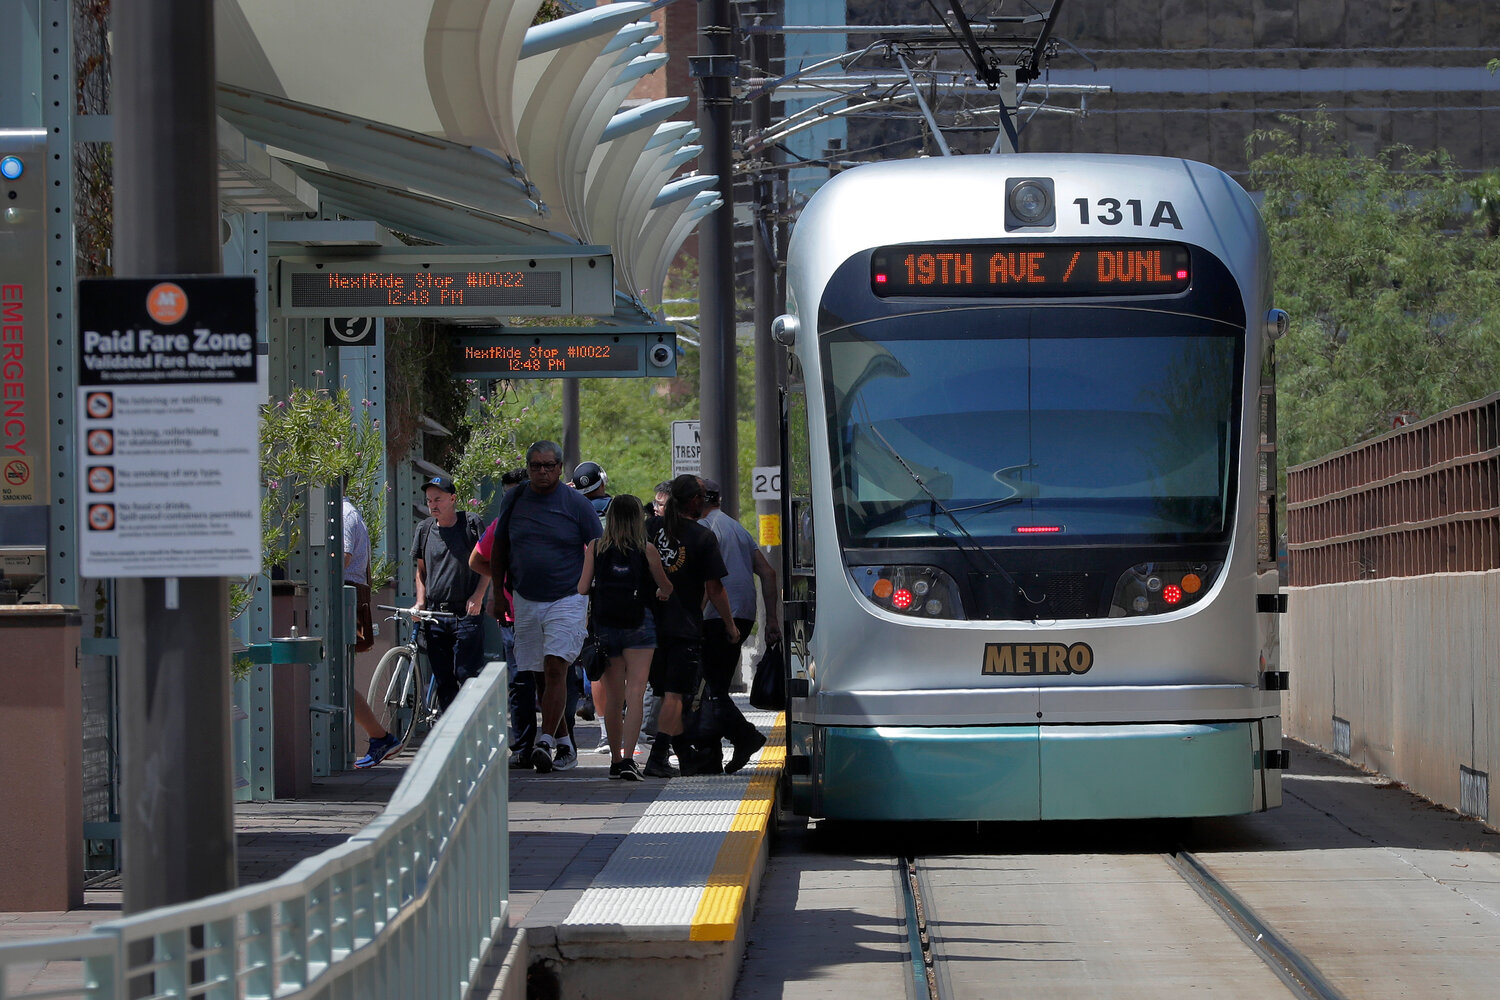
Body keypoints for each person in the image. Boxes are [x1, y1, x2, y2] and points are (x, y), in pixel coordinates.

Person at [470, 440, 600, 774]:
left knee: (556, 667)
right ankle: (565, 744)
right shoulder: (514, 499)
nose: (542, 471)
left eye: (549, 465)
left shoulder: (576, 504)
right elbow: (497, 551)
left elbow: (596, 548)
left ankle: (544, 740)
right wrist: (498, 595)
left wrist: (588, 595)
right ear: (528, 468)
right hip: (525, 599)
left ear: (560, 467)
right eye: (535, 466)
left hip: (567, 598)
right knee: (539, 674)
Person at [641, 474, 739, 778]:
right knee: (675, 694)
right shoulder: (701, 537)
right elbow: (715, 590)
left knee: (659, 692)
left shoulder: (648, 529)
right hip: (681, 627)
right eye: (701, 495)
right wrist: (730, 626)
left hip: (646, 623)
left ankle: (682, 756)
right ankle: (658, 756)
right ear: (694, 501)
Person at [578, 494, 673, 780]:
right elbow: (666, 587)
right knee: (635, 694)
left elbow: (582, 588)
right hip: (639, 625)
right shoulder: (647, 549)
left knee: (614, 699)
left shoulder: (595, 547)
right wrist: (660, 593)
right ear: (636, 520)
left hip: (606, 627)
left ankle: (615, 760)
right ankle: (630, 759)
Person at [696, 479, 778, 773]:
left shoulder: (704, 529)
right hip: (743, 614)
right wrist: (771, 620)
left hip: (715, 614)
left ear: (697, 500)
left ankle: (744, 736)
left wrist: (694, 614)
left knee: (708, 687)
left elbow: (709, 580)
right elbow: (768, 573)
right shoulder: (737, 529)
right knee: (714, 685)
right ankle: (713, 755)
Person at [412, 475, 487, 710]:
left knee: (466, 674)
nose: (433, 505)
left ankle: (470, 726)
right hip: (435, 615)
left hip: (466, 613)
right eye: (429, 501)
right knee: (443, 679)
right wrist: (420, 602)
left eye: (438, 499)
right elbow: (421, 572)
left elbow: (488, 565)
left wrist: (478, 596)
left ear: (452, 499)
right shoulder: (424, 529)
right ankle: (450, 732)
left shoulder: (471, 524)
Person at [477, 468, 535, 768]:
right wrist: (499, 583)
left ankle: (558, 743)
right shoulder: (501, 525)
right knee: (521, 682)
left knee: (552, 679)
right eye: (508, 493)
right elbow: (477, 559)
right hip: (513, 616)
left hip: (550, 612)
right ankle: (525, 747)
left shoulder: (553, 520)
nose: (512, 498)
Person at [344, 496, 396, 768]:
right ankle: (379, 738)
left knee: (338, 682)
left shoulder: (341, 513)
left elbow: (342, 558)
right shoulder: (348, 511)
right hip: (348, 598)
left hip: (345, 599)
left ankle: (380, 737)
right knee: (339, 681)